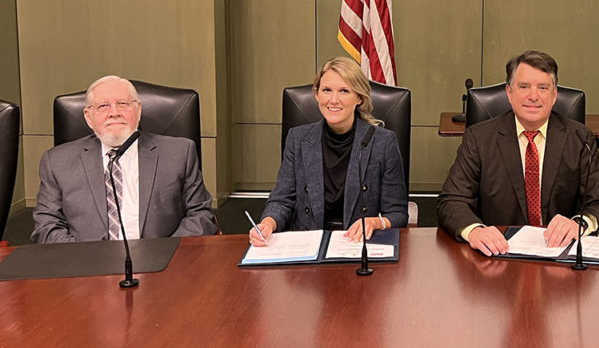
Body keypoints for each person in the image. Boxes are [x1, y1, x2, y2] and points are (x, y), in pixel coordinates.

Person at [437, 50, 599, 256]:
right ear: (509, 92)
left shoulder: (579, 138)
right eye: (524, 87)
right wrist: (475, 231)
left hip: (559, 254)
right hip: (498, 255)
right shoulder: (479, 138)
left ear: (554, 95)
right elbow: (451, 201)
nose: (533, 96)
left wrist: (578, 224)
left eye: (543, 88)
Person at [32, 76, 217, 244]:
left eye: (122, 104)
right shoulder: (56, 162)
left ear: (138, 109)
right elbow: (47, 226)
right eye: (103, 106)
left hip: (162, 262)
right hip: (85, 264)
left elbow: (200, 216)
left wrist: (166, 252)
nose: (114, 112)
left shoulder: (179, 153)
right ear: (88, 117)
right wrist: (85, 259)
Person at [249, 57, 407, 246]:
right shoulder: (297, 139)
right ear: (316, 94)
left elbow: (398, 214)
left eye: (344, 91)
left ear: (359, 98)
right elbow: (282, 200)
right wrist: (267, 223)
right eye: (326, 90)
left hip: (358, 243)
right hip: (308, 244)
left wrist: (375, 222)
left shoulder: (382, 142)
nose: (333, 100)